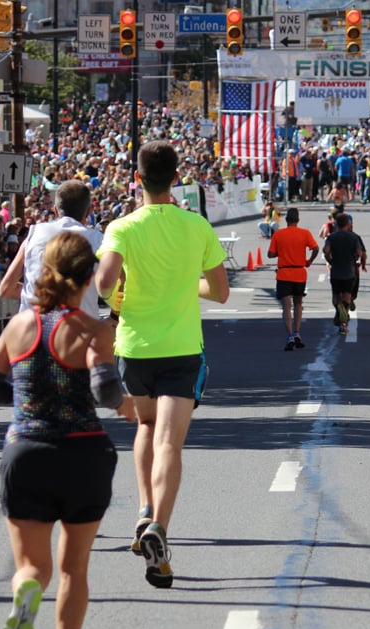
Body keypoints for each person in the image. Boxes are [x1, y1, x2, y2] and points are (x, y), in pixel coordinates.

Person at [0, 231, 134, 629]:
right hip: (83, 453)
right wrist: (125, 407)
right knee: (73, 570)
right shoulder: (93, 329)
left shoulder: (21, 326)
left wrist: (30, 395)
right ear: (88, 278)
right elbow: (105, 390)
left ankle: (25, 591)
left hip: (26, 450)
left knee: (33, 567)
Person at [95, 140, 230, 589]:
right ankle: (160, 531)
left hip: (134, 348)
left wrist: (120, 294)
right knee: (170, 442)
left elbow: (104, 284)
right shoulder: (197, 227)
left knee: (146, 429)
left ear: (138, 178)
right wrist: (183, 286)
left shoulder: (123, 227)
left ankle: (143, 510)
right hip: (182, 348)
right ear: (177, 178)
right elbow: (221, 292)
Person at [0, 180, 104, 319]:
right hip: (81, 331)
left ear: (55, 210)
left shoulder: (34, 235)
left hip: (33, 330)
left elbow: (6, 289)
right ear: (89, 211)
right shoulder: (99, 240)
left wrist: (39, 294)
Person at [266, 207, 319, 351]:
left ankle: (289, 335)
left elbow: (270, 254)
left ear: (286, 219)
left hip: (284, 273)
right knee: (298, 303)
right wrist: (309, 261)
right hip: (299, 272)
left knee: (286, 306)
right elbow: (316, 248)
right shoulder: (305, 233)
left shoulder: (279, 234)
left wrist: (281, 251)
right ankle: (297, 332)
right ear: (298, 220)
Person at [322, 211, 365, 336]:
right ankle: (343, 325)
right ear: (347, 224)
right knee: (347, 296)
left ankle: (338, 307)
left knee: (336, 296)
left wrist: (330, 260)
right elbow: (359, 252)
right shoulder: (353, 237)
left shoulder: (332, 237)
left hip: (336, 271)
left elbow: (326, 250)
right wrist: (354, 258)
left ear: (337, 224)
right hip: (349, 272)